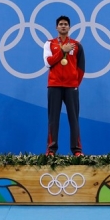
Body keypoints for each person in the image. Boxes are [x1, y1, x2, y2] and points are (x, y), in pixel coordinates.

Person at [43, 16, 85, 156]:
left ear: (69, 27)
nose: (63, 26)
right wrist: (62, 51)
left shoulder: (77, 45)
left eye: (66, 24)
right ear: (56, 27)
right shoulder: (49, 44)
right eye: (60, 24)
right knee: (53, 119)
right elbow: (48, 62)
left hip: (71, 87)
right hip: (54, 85)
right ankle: (51, 150)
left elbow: (81, 68)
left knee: (74, 119)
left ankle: (77, 150)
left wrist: (74, 83)